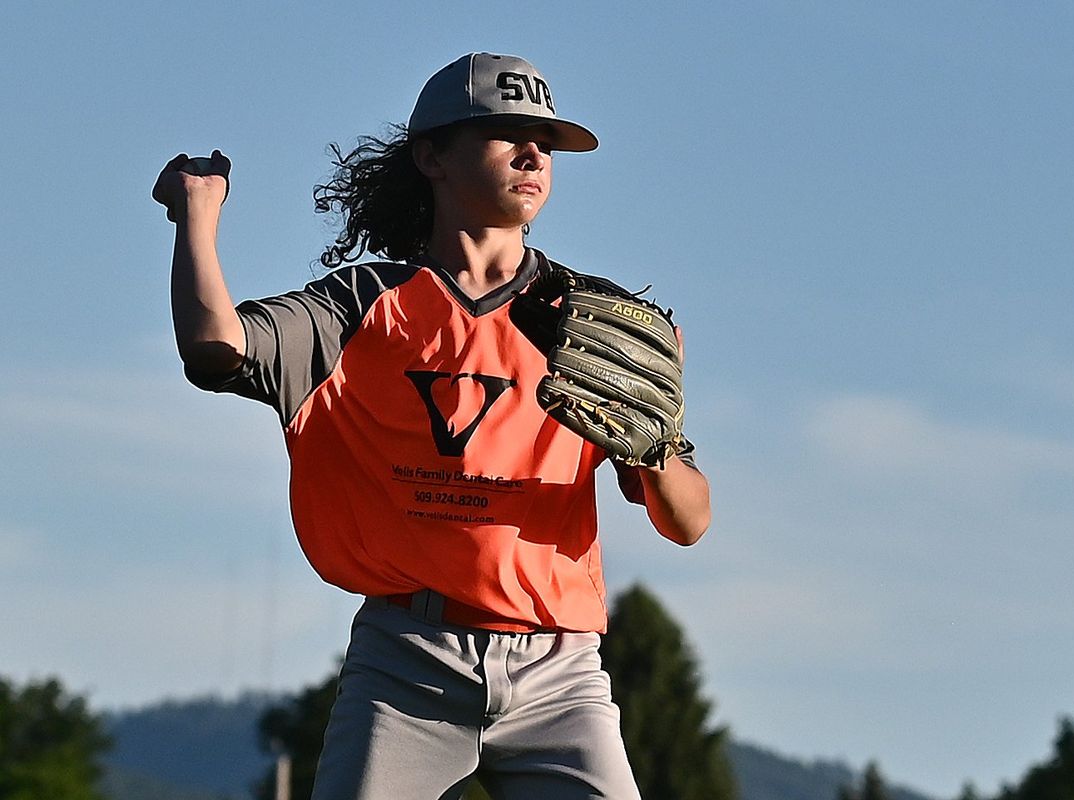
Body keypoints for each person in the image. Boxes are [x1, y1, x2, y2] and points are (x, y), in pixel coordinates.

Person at [154, 52, 711, 800]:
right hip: (406, 663)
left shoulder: (593, 321)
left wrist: (654, 449)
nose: (534, 154)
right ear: (431, 157)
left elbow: (689, 521)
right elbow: (213, 349)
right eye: (504, 132)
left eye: (545, 142)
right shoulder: (361, 305)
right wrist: (198, 213)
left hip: (561, 672)